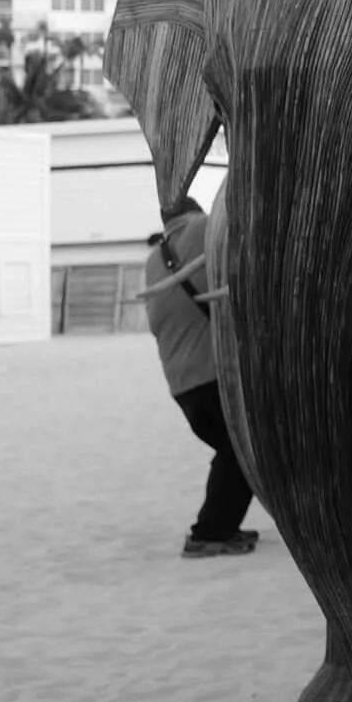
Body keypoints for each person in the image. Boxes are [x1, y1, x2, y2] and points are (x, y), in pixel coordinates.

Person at [144, 196, 257, 558]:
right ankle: (209, 534)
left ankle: (220, 526)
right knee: (243, 450)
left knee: (232, 450)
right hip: (213, 375)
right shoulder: (204, 229)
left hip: (181, 384)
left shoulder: (153, 259)